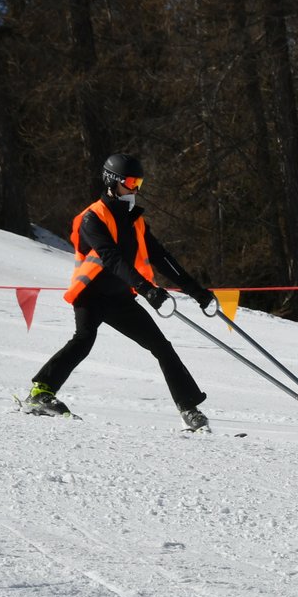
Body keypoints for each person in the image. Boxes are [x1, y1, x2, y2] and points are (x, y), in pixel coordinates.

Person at [26, 153, 220, 431]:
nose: (135, 189)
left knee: (161, 347)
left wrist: (196, 291)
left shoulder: (134, 220)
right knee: (83, 340)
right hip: (91, 294)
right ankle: (40, 392)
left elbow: (161, 257)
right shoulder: (92, 218)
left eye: (139, 182)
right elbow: (112, 257)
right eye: (130, 182)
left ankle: (189, 408)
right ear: (112, 181)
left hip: (119, 297)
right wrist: (147, 290)